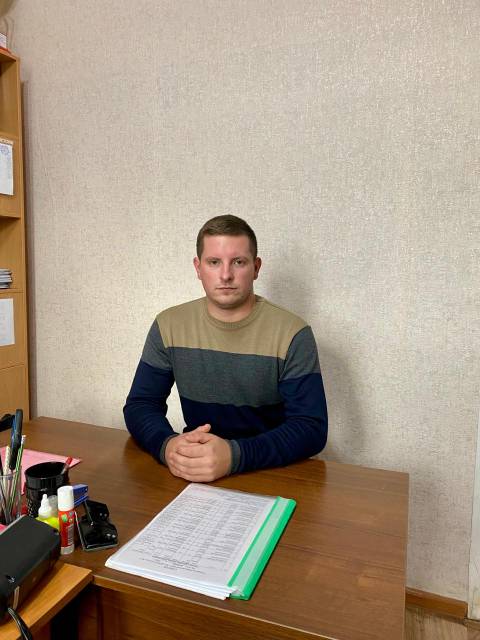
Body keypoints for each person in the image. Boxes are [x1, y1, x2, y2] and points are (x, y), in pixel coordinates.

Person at [124, 215, 327, 482]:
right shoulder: (169, 325)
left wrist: (234, 456)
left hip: (271, 472)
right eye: (214, 262)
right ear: (198, 268)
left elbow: (311, 428)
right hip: (196, 473)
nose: (226, 275)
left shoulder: (292, 333)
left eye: (238, 262)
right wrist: (168, 445)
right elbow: (141, 405)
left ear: (256, 267)